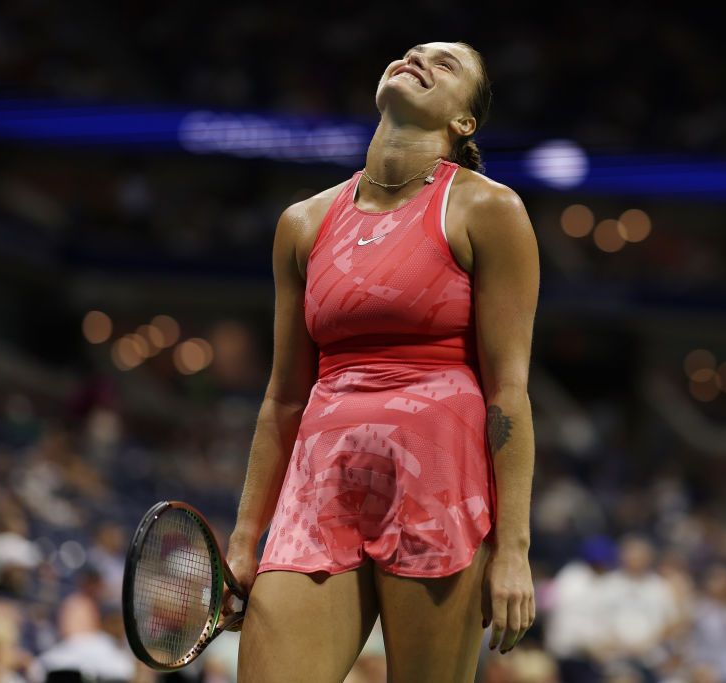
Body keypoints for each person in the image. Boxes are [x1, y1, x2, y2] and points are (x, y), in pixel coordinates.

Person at [225, 40, 540, 682]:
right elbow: (284, 395)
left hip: (441, 488)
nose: (419, 58)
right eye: (413, 51)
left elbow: (508, 390)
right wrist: (242, 542)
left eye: (445, 63)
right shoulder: (304, 222)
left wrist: (513, 550)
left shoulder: (488, 209)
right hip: (319, 486)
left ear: (464, 122)